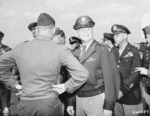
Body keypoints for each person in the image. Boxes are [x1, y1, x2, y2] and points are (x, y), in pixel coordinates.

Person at [0, 12, 89, 116]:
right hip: (49, 104)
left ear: (37, 30)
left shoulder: (20, 48)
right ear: (53, 30)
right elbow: (82, 74)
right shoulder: (59, 49)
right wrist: (66, 86)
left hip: (25, 105)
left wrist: (14, 84)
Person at [67, 15, 120, 116]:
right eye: (81, 30)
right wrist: (70, 102)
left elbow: (111, 80)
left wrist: (108, 106)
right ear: (77, 33)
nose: (85, 32)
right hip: (79, 100)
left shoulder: (102, 50)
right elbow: (71, 79)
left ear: (93, 30)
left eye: (88, 29)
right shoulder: (75, 53)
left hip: (96, 99)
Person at [111, 24, 143, 116]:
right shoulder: (113, 51)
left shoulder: (134, 51)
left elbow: (135, 75)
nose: (114, 37)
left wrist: (122, 90)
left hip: (131, 95)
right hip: (116, 94)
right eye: (113, 35)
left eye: (117, 35)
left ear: (125, 36)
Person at [135, 25, 150, 116]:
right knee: (146, 108)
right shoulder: (145, 47)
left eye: (148, 36)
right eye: (147, 36)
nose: (146, 39)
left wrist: (147, 72)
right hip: (146, 83)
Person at [0, 31, 12, 116]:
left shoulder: (7, 49)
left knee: (5, 92)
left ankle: (6, 107)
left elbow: (12, 62)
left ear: (1, 38)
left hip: (5, 76)